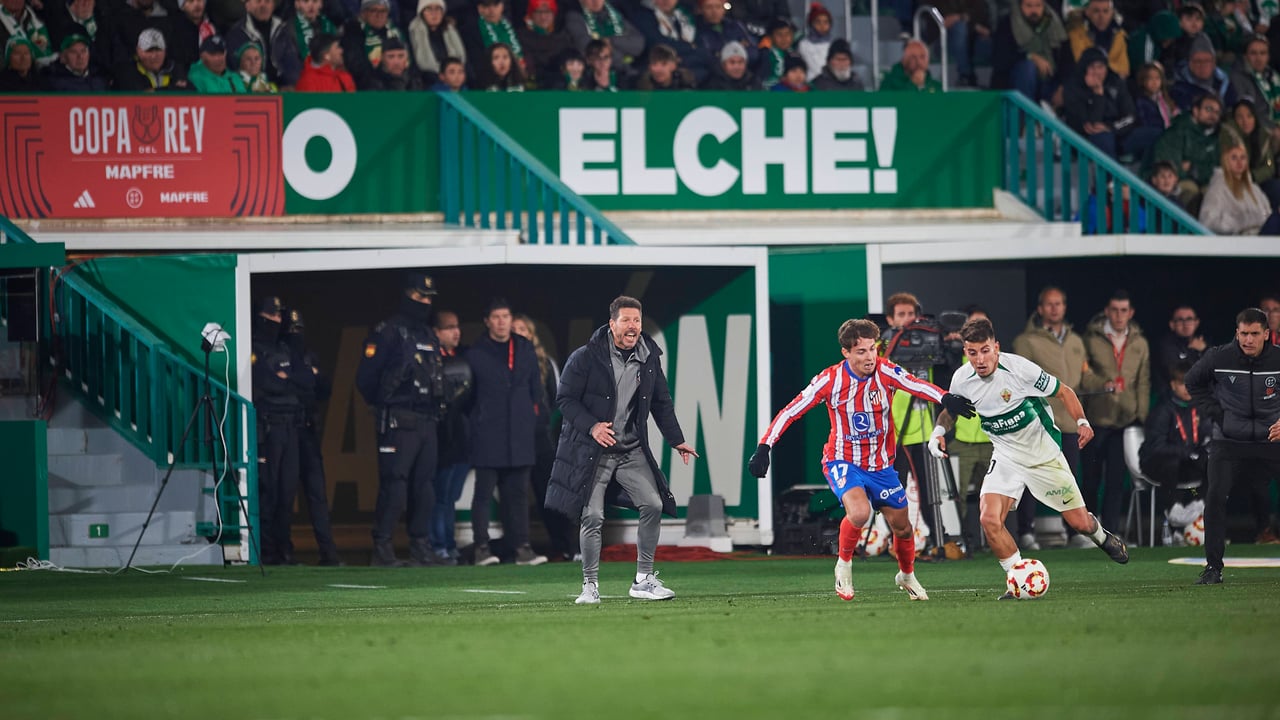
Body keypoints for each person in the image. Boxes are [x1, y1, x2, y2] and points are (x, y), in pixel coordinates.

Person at [749, 318, 974, 601]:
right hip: (843, 460)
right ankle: (843, 565)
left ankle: (906, 574)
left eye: (872, 349)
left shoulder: (886, 370)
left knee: (903, 527)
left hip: (881, 465)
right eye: (861, 352)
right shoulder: (830, 380)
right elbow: (791, 411)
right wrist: (764, 446)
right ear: (846, 352)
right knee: (859, 513)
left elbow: (915, 384)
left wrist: (945, 398)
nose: (870, 357)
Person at [929, 317, 1128, 599]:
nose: (980, 359)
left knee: (1079, 523)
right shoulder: (962, 378)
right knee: (989, 519)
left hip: (1043, 455)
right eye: (972, 352)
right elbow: (951, 410)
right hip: (1006, 456)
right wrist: (938, 431)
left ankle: (1101, 536)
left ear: (996, 347)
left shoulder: (1020, 369)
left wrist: (1082, 422)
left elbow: (1065, 392)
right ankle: (1017, 577)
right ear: (965, 351)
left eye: (985, 350)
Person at [546, 295, 698, 604]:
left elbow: (661, 402)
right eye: (627, 320)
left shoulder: (649, 357)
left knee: (653, 504)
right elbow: (565, 400)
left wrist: (676, 439)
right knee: (592, 515)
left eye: (638, 321)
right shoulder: (585, 357)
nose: (633, 326)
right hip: (593, 449)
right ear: (612, 322)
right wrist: (592, 426)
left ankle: (643, 579)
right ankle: (590, 586)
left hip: (629, 449)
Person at [355, 272, 447, 567]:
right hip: (397, 419)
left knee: (425, 487)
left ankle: (420, 546)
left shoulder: (427, 334)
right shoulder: (388, 332)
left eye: (428, 298)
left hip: (426, 420)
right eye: (419, 297)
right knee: (395, 485)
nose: (424, 303)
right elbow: (365, 379)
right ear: (407, 295)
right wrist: (386, 406)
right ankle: (382, 547)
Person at [1185, 307, 1280, 584]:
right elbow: (1192, 381)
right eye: (1243, 334)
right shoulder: (1219, 356)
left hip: (1271, 439)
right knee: (1214, 497)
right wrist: (1218, 414)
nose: (1247, 340)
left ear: (1266, 334)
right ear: (1236, 333)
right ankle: (1213, 568)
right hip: (1228, 440)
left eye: (1253, 334)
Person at [1012, 285, 1100, 548]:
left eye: (1059, 303)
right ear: (1040, 308)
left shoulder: (1075, 341)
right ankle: (1026, 532)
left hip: (1069, 423)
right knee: (1031, 477)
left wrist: (1104, 382)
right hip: (1038, 423)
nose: (1055, 308)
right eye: (1049, 304)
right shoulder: (1025, 341)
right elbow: (1021, 383)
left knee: (1068, 479)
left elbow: (1084, 377)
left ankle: (1074, 532)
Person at [467, 298, 546, 567]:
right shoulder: (476, 352)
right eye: (496, 316)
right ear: (487, 321)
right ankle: (481, 547)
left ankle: (522, 548)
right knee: (484, 495)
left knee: (519, 496)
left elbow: (536, 388)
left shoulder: (524, 347)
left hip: (520, 436)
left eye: (506, 316)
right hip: (488, 436)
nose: (502, 321)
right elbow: (467, 399)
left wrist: (535, 421)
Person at [1081, 290, 1151, 536]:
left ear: (1130, 313)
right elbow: (1084, 375)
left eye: (1124, 310)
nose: (1119, 315)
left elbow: (1143, 382)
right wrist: (1102, 385)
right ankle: (1088, 530)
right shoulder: (1091, 338)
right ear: (1107, 311)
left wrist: (1140, 414)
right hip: (1097, 419)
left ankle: (1109, 532)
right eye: (1115, 310)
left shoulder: (1139, 343)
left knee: (1116, 481)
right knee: (1091, 479)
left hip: (1125, 421)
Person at [513, 313, 576, 562]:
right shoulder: (507, 362)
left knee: (550, 496)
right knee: (517, 495)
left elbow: (558, 401)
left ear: (532, 335)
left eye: (523, 330)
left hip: (542, 440)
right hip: (515, 440)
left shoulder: (545, 362)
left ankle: (567, 545)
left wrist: (547, 431)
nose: (519, 334)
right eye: (514, 330)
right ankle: (522, 547)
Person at [281, 309, 342, 566]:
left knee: (318, 495)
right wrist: (307, 377)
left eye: (299, 329)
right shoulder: (278, 353)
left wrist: (303, 378)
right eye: (292, 329)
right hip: (286, 432)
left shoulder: (307, 355)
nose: (296, 334)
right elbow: (283, 384)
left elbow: (324, 387)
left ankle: (329, 553)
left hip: (308, 431)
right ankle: (282, 551)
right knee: (283, 494)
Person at [251, 296, 304, 566]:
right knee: (268, 491)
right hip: (269, 427)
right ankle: (268, 551)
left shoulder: (285, 348)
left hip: (290, 427)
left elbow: (307, 381)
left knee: (287, 493)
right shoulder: (254, 348)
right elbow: (264, 384)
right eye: (272, 315)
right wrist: (285, 382)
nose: (277, 320)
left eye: (279, 315)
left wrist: (287, 380)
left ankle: (285, 549)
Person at [1139, 362, 1211, 543]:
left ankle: (1199, 502)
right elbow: (1156, 447)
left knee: (1215, 462)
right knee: (1172, 461)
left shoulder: (1199, 408)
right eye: (1182, 384)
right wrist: (1186, 452)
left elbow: (1208, 435)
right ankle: (1173, 509)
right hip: (1156, 463)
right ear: (1173, 385)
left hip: (1186, 462)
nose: (1187, 389)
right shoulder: (1163, 409)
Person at [430, 309, 469, 564]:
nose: (456, 332)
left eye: (457, 326)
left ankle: (448, 544)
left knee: (451, 497)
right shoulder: (430, 359)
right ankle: (439, 546)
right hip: (440, 440)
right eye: (449, 327)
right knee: (439, 496)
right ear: (436, 332)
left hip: (463, 441)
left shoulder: (464, 357)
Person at [1062, 46, 1137, 160]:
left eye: (1101, 67)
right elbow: (1092, 125)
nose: (1097, 72)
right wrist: (1098, 94)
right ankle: (1109, 177)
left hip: (1116, 131)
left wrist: (1110, 127)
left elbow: (1130, 116)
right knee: (1101, 137)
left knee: (1153, 134)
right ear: (1084, 68)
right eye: (1092, 67)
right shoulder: (1073, 88)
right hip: (1086, 139)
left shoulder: (1116, 83)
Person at [991, 0, 1068, 104]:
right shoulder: (1008, 23)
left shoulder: (1052, 22)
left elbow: (1065, 58)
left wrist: (1062, 85)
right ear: (1020, 5)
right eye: (1029, 6)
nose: (1034, 10)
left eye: (1038, 5)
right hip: (1014, 82)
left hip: (1049, 80)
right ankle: (1025, 116)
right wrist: (1031, 56)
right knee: (1028, 67)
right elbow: (1000, 59)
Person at [1152, 92, 1223, 201]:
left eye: (1217, 112)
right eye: (1208, 109)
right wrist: (1193, 171)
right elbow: (1170, 168)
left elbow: (1216, 168)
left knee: (1216, 192)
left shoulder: (1216, 136)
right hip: (1177, 185)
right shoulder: (1177, 131)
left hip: (1206, 183)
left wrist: (1194, 169)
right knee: (1190, 191)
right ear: (1195, 110)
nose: (1213, 115)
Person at [1199, 142, 1279, 235]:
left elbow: (1267, 214)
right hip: (1238, 240)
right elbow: (1207, 222)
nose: (1239, 162)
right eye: (1234, 158)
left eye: (1243, 158)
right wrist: (1238, 221)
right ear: (1225, 161)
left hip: (1261, 236)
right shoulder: (1217, 189)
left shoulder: (1254, 188)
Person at [1220, 98, 1280, 209]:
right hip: (1235, 183)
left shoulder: (1263, 136)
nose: (1245, 121)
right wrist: (1244, 179)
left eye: (1249, 116)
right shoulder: (1228, 135)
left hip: (1256, 180)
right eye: (1240, 117)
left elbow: (1269, 165)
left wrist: (1252, 177)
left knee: (1276, 188)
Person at [633, 0, 710, 84]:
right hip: (658, 61)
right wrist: (690, 48)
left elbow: (699, 43)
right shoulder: (644, 15)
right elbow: (657, 42)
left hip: (688, 61)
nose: (667, 1)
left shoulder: (684, 15)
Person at [226, 0, 300, 88]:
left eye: (267, 1)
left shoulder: (283, 30)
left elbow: (292, 65)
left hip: (283, 91)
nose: (263, 5)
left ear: (273, 5)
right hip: (249, 90)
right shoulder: (236, 34)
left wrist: (288, 84)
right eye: (258, 1)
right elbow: (235, 68)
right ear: (247, 5)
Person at [564, 0, 643, 78]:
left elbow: (638, 44)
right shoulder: (574, 17)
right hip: (591, 75)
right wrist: (618, 56)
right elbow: (589, 48)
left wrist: (611, 41)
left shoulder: (615, 14)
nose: (596, 1)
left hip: (627, 73)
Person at [342, 0, 408, 90]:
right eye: (373, 11)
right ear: (363, 13)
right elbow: (358, 68)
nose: (379, 15)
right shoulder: (354, 33)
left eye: (383, 11)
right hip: (371, 87)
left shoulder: (397, 32)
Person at [1171, 34, 1237, 112]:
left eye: (1207, 61)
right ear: (1190, 63)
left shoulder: (1225, 84)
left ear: (1214, 63)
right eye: (1198, 61)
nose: (1203, 65)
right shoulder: (1179, 88)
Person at [1067, 0, 1129, 80]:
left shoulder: (1119, 35)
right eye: (1096, 11)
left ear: (1111, 13)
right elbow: (1082, 65)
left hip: (1113, 85)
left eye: (1105, 11)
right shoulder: (1076, 34)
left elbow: (1124, 70)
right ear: (1087, 12)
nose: (1101, 16)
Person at [113, 27, 189, 91]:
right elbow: (140, 95)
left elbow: (191, 91)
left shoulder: (176, 69)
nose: (154, 56)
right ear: (138, 51)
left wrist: (155, 91)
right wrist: (173, 89)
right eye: (148, 51)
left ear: (165, 51)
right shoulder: (127, 71)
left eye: (158, 50)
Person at [517, 0, 572, 88]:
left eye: (547, 12)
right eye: (538, 12)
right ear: (531, 15)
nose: (543, 17)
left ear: (554, 14)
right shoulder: (521, 37)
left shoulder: (563, 39)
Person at [1229, 35, 1280, 130]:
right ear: (1245, 56)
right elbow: (1251, 112)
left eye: (1263, 53)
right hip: (1260, 131)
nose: (1258, 58)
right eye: (1253, 53)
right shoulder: (1239, 77)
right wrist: (1274, 129)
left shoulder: (1273, 76)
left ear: (1268, 56)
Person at [409, 0, 466, 81]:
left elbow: (460, 59)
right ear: (422, 13)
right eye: (429, 9)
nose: (434, 13)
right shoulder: (415, 31)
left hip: (454, 77)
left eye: (438, 9)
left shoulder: (450, 30)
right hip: (427, 80)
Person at [1156, 305, 1209, 390]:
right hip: (1174, 398)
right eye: (1180, 320)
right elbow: (1180, 375)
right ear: (1172, 325)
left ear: (1197, 322)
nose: (1185, 324)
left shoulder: (1204, 343)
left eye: (1189, 319)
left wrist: (1205, 350)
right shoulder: (1166, 346)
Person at [44, 33, 108, 92]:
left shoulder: (100, 77)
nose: (80, 57)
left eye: (83, 51)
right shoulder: (55, 84)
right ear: (63, 57)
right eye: (73, 52)